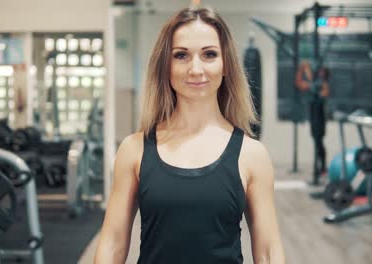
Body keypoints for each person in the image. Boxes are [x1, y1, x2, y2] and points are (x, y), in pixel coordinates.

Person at [94, 7, 285, 264]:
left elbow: (269, 251)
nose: (196, 69)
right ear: (166, 65)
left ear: (225, 64)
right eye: (181, 55)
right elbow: (113, 244)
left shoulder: (252, 155)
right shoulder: (134, 149)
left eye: (209, 54)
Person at [295, 61, 329, 176]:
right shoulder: (314, 84)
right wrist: (302, 69)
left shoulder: (323, 85)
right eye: (320, 71)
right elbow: (299, 83)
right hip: (314, 119)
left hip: (320, 120)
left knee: (319, 143)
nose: (321, 73)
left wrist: (307, 71)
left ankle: (322, 167)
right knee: (317, 143)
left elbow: (324, 93)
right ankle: (319, 168)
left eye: (323, 72)